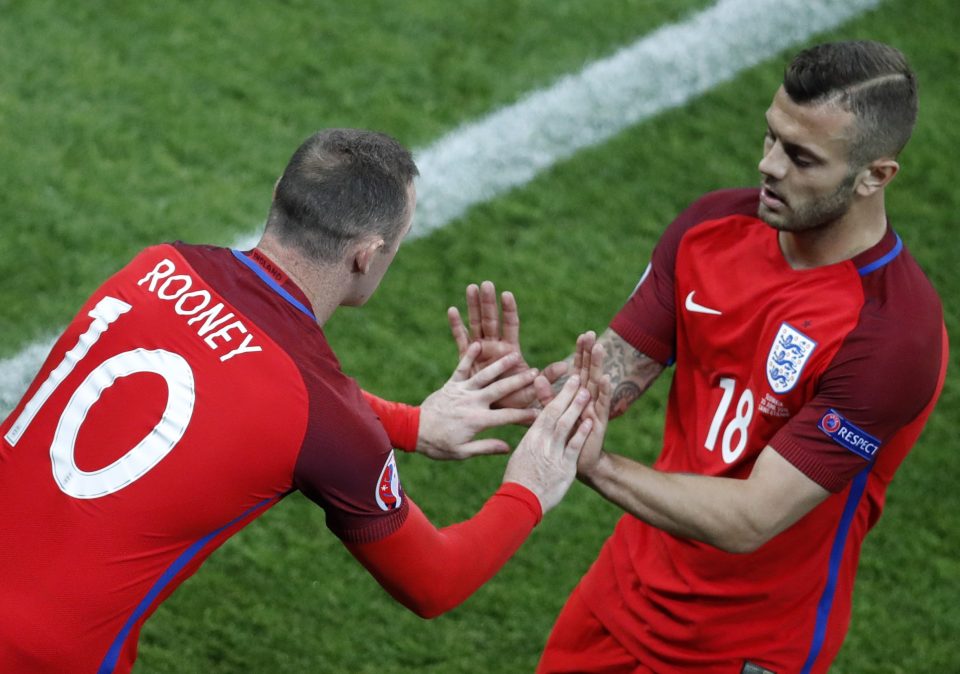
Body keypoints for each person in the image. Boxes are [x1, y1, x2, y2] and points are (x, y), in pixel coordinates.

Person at [0, 129, 604, 673]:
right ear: (367, 254)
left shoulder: (157, 267)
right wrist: (531, 484)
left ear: (279, 195)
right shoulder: (323, 418)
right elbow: (434, 581)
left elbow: (241, 375)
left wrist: (413, 425)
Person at [448, 41, 948, 673]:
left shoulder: (890, 337)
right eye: (771, 137)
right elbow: (613, 371)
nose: (768, 166)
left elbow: (749, 520)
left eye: (801, 158)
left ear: (876, 175)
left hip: (747, 647)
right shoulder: (711, 228)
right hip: (622, 596)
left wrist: (593, 465)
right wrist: (535, 392)